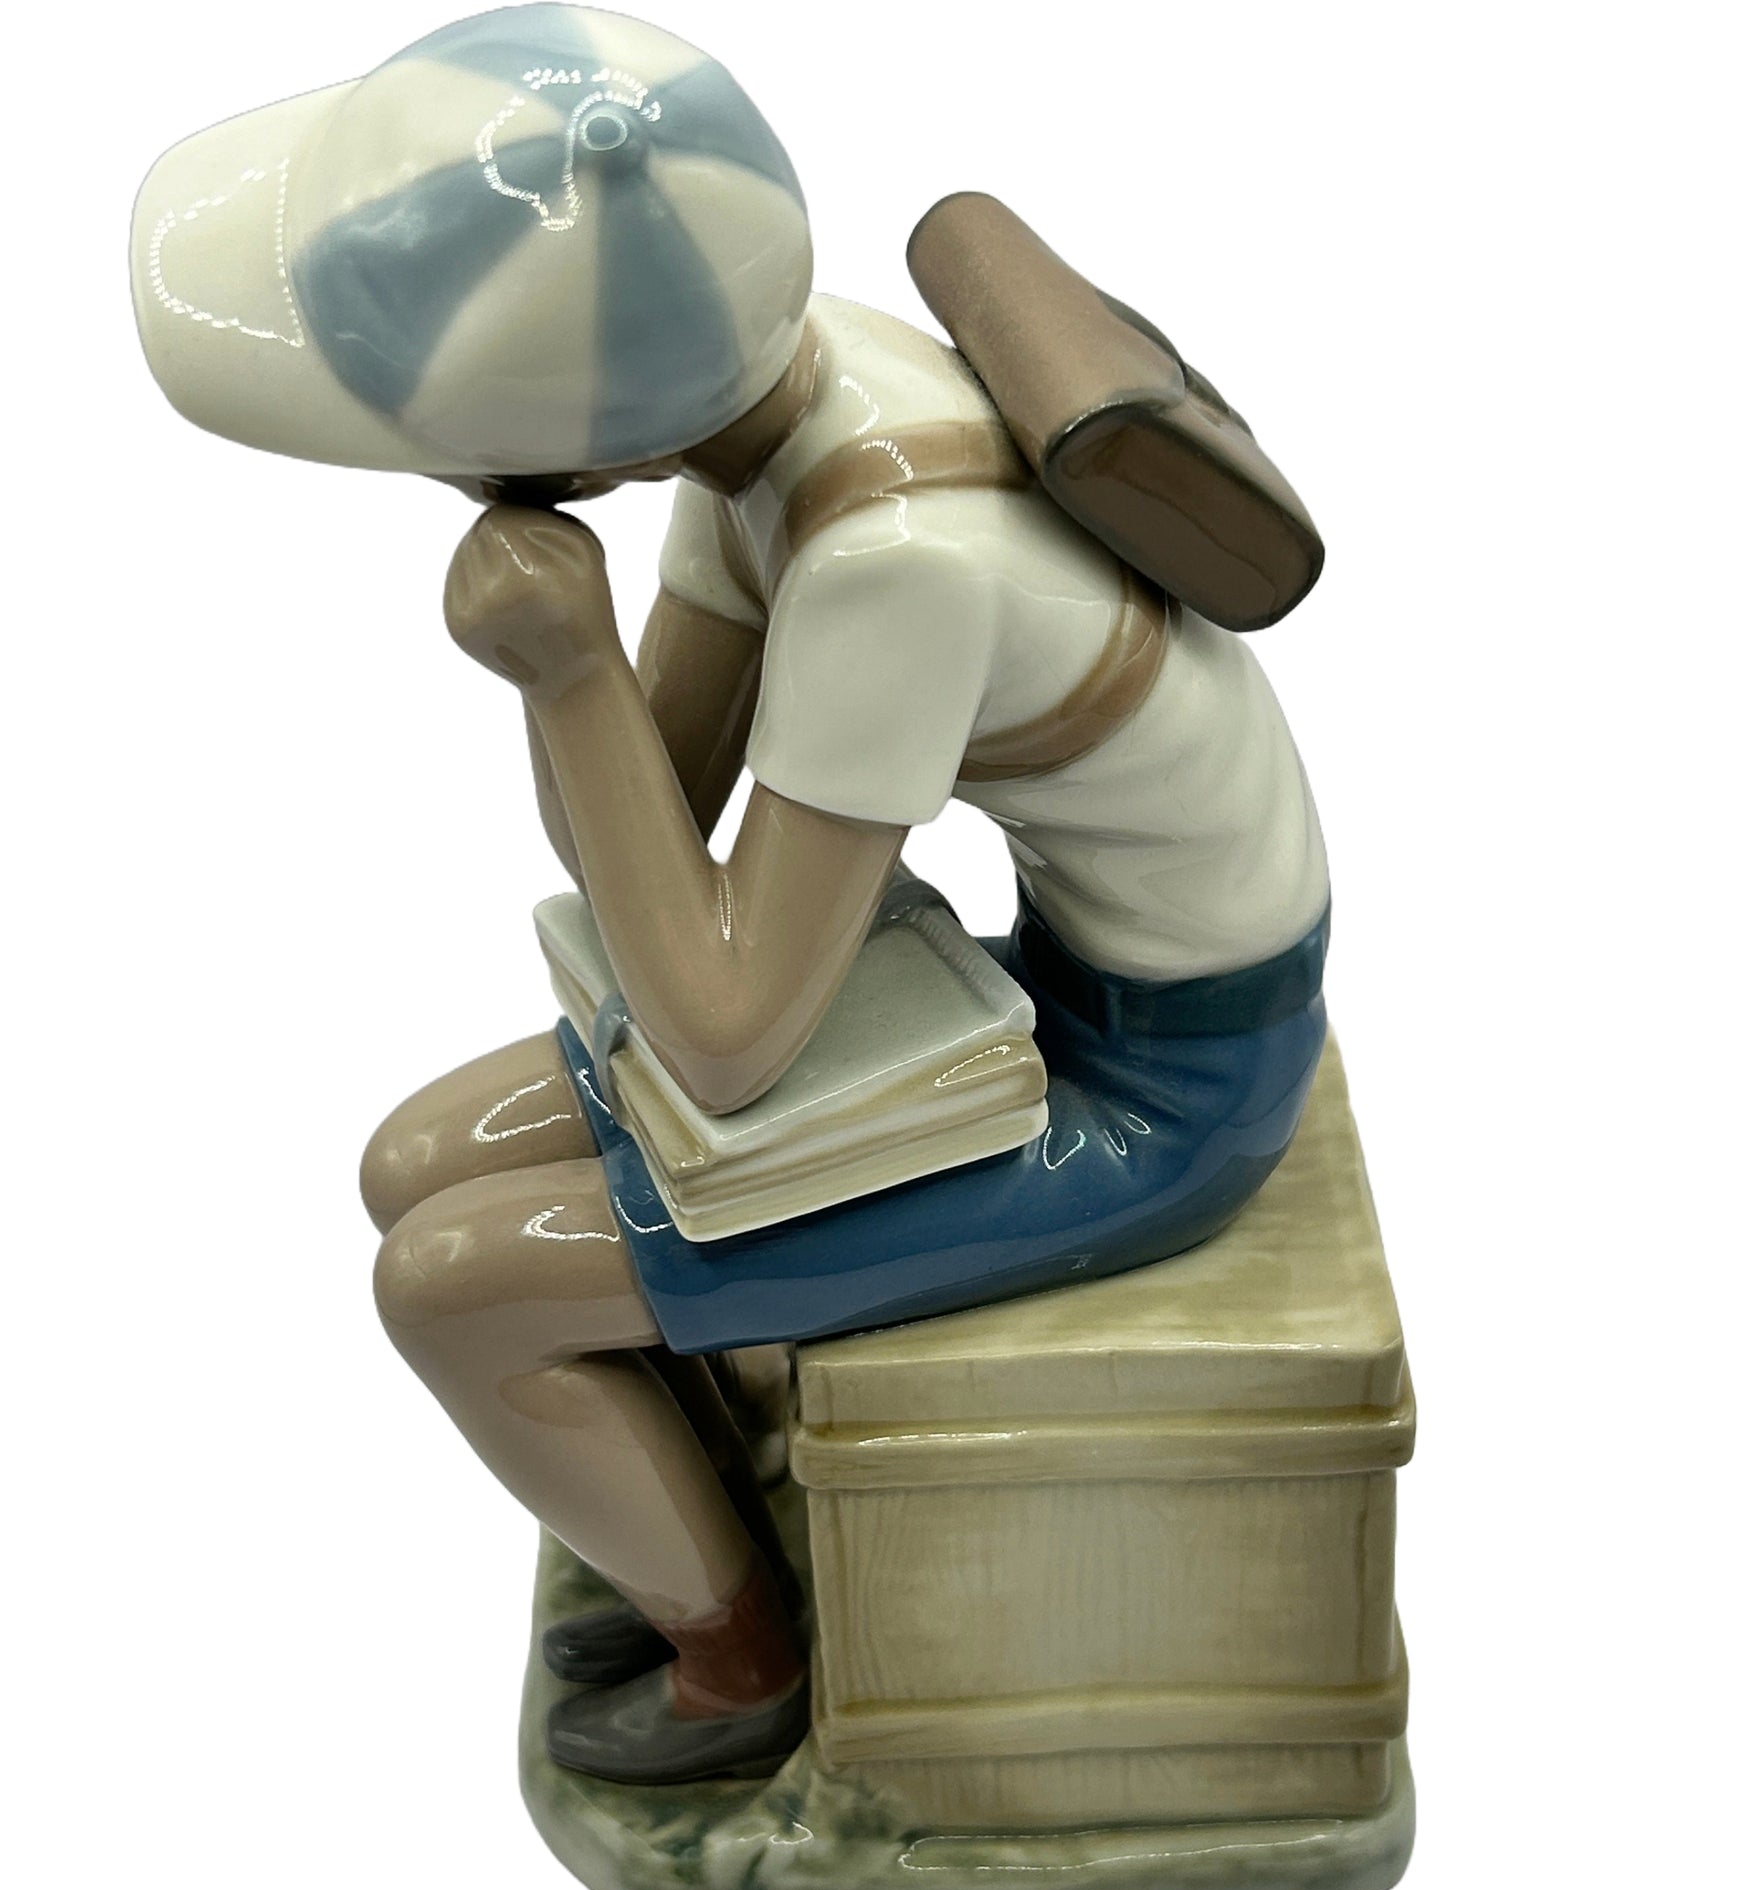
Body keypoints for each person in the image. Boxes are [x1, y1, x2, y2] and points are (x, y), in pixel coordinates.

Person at [131, 7, 1330, 1786]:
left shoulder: (891, 564)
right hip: (1065, 973)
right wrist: (576, 674)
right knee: (408, 1163)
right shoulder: (773, 397)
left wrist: (565, 672)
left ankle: (738, 1657)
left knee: (455, 1285)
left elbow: (721, 1033)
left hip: (1167, 1085)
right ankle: (700, 1491)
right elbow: (647, 834)